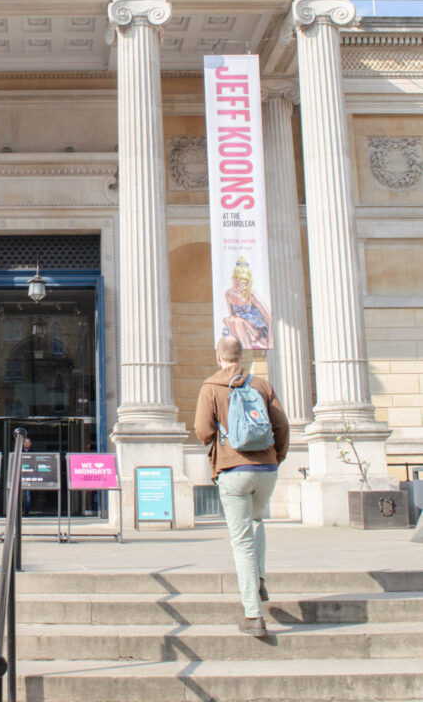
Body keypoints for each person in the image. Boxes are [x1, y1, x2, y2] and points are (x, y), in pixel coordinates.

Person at [194, 335, 289, 638]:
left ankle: (253, 614)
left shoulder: (211, 387)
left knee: (241, 540)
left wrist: (218, 447)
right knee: (257, 521)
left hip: (234, 469)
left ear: (217, 356)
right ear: (242, 355)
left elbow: (202, 429)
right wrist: (277, 456)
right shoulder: (260, 385)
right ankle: (258, 579)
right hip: (267, 469)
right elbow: (282, 425)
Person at [223, 257, 272, 350]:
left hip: (258, 332)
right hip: (242, 330)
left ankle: (243, 346)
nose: (239, 286)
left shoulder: (251, 295)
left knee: (238, 321)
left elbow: (269, 319)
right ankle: (239, 348)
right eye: (237, 282)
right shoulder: (228, 294)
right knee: (232, 320)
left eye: (243, 283)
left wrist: (271, 341)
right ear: (233, 279)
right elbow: (231, 316)